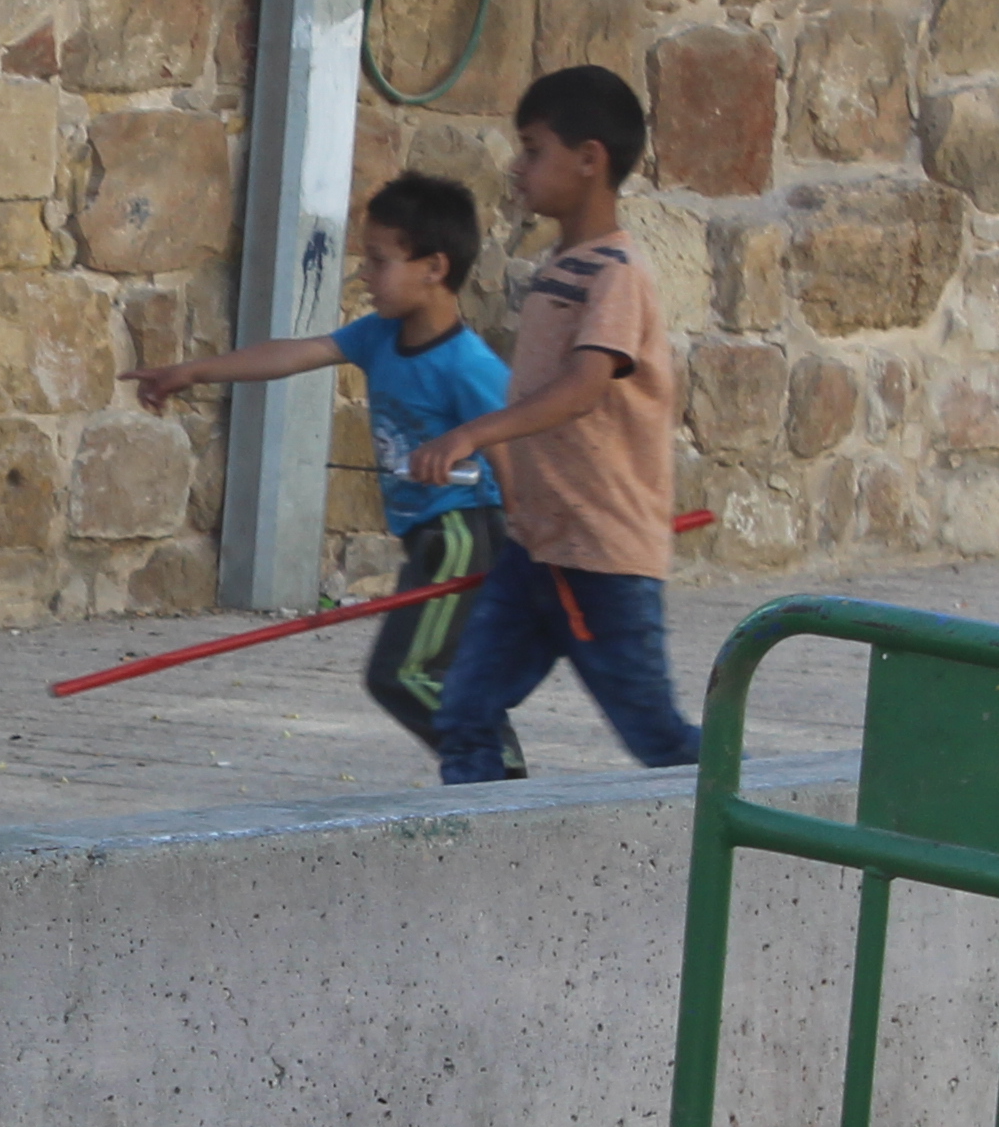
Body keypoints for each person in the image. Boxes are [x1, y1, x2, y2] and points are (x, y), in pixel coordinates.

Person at [126, 169, 522, 776]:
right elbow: (294, 353)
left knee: (403, 675)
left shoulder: (468, 365)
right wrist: (194, 371)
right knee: (443, 669)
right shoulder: (378, 336)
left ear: (434, 268)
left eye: (379, 261)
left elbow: (512, 451)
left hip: (462, 536)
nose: (365, 275)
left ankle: (491, 770)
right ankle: (490, 770)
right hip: (429, 538)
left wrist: (527, 548)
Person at [402, 65, 698, 784]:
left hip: (600, 559)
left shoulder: (617, 273)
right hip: (536, 548)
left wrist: (475, 433)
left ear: (589, 158)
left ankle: (777, 814)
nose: (519, 167)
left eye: (534, 149)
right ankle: (480, 847)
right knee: (464, 710)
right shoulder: (558, 267)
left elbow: (584, 388)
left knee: (657, 738)